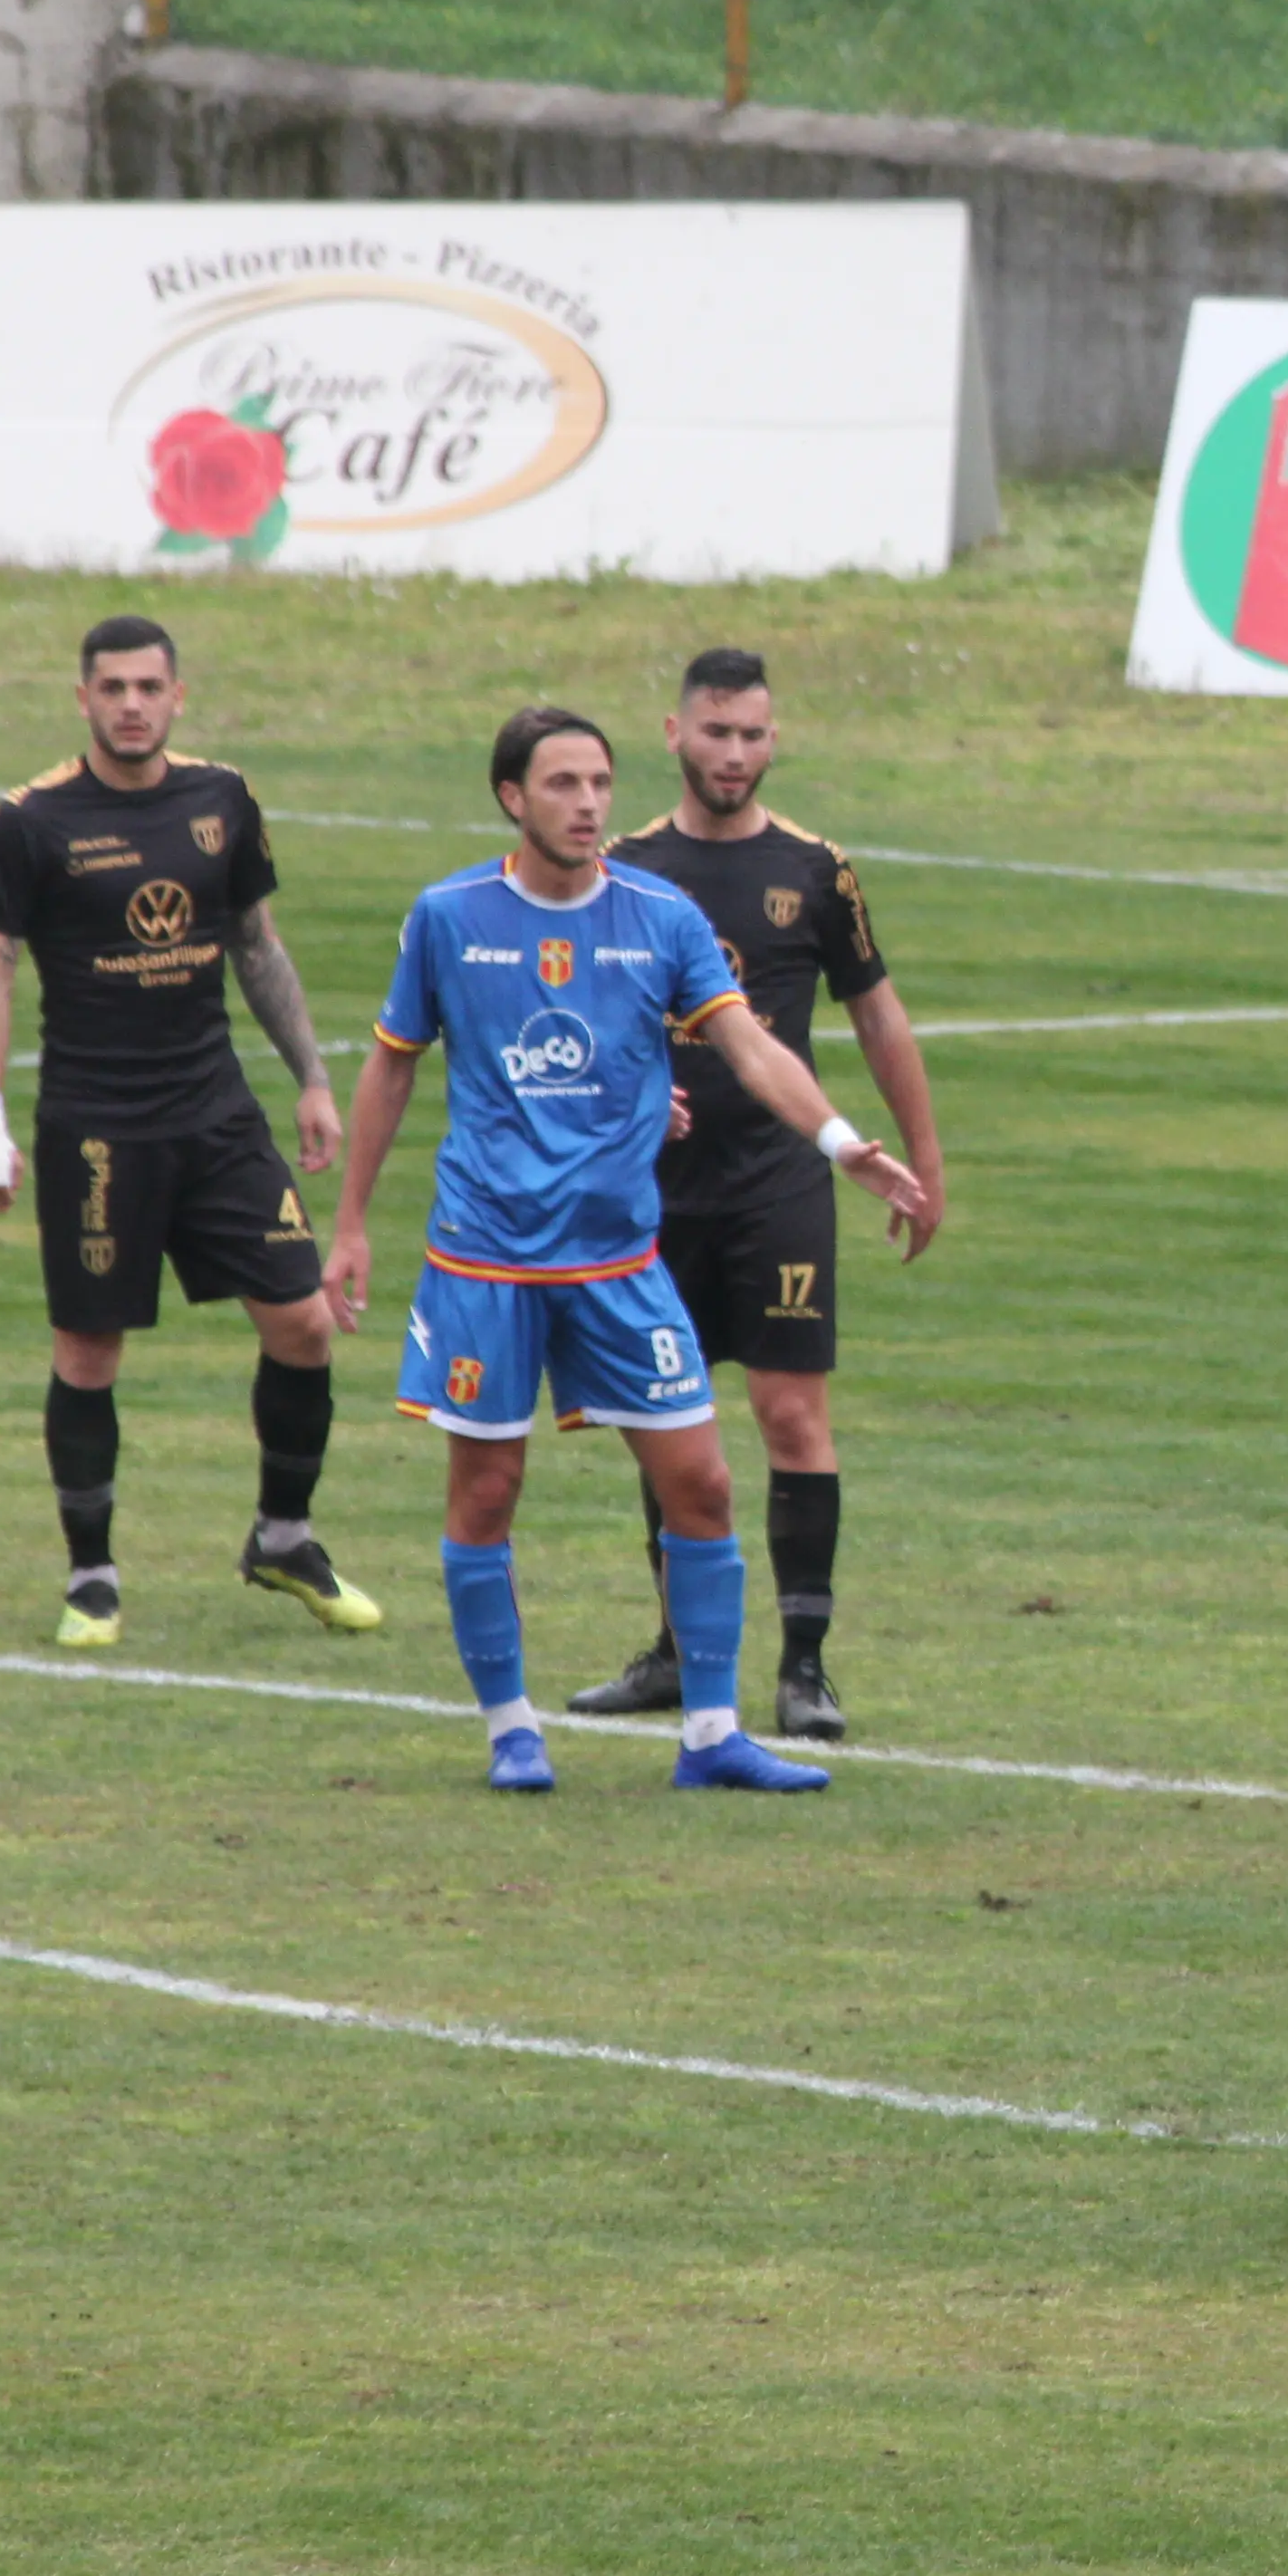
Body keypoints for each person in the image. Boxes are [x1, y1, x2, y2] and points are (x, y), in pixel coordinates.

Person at [322, 708, 932, 1794]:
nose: (589, 804)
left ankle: (711, 1736)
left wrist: (843, 1145)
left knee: (701, 1482)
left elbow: (752, 1045)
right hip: (488, 1263)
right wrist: (354, 1224)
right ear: (512, 797)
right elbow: (392, 1068)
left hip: (618, 1261)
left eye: (600, 782)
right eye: (562, 784)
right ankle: (513, 1730)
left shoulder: (661, 916)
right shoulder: (450, 917)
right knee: (488, 1493)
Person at [0, 614, 374, 1649]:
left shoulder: (220, 799)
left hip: (217, 1115)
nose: (132, 704)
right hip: (97, 1128)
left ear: (177, 696)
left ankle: (284, 1537)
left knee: (304, 1323)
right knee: (89, 1350)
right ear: (83, 698)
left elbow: (256, 944)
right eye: (113, 687)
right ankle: (92, 1576)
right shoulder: (31, 821)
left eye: (149, 686)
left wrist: (314, 1078)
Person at [567, 649, 946, 1741]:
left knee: (790, 1413)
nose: (734, 754)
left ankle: (806, 1668)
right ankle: (680, 1653)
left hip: (780, 1182)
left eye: (753, 735)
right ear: (675, 735)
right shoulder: (624, 869)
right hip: (652, 1192)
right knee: (663, 1417)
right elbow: (582, 1018)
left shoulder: (816, 870)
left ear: (773, 743)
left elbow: (877, 1013)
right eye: (716, 732)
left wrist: (922, 1156)